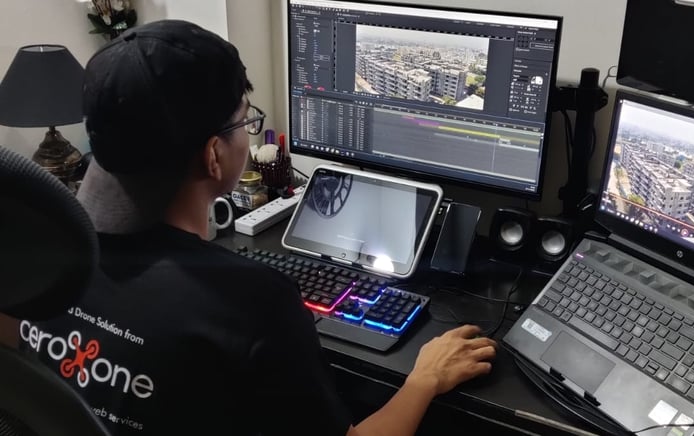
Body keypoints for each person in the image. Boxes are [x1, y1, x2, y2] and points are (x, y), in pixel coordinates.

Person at [18, 19, 496, 436]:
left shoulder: (38, 260)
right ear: (213, 155)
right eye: (244, 122)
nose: (248, 134)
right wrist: (424, 379)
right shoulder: (250, 301)